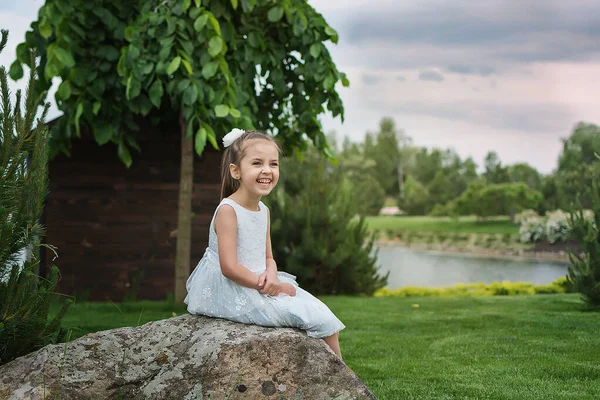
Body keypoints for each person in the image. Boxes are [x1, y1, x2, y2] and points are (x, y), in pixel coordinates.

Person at [185, 129, 345, 359]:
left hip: (259, 280)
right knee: (314, 317)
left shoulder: (264, 210)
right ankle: (343, 382)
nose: (267, 171)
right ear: (236, 171)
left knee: (323, 314)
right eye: (257, 163)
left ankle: (344, 380)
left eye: (274, 164)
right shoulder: (228, 211)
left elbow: (268, 257)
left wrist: (273, 276)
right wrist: (275, 287)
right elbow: (229, 268)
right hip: (233, 287)